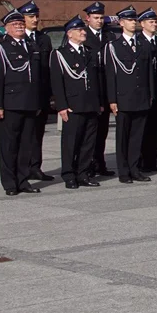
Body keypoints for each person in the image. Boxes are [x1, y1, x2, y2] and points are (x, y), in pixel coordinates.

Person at [0, 10, 43, 196]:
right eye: (15, 25)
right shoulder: (1, 47)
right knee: (9, 145)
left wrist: (38, 102)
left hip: (30, 102)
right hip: (10, 103)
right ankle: (10, 183)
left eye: (21, 24)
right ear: (7, 28)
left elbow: (37, 77)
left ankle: (23, 180)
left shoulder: (31, 45)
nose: (19, 27)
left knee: (26, 145)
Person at [50, 16, 102, 189]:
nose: (83, 32)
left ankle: (83, 173)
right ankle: (69, 174)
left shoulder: (89, 52)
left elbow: (97, 79)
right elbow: (57, 83)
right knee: (71, 142)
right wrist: (62, 106)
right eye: (79, 30)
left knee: (88, 143)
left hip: (91, 104)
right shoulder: (61, 54)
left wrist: (99, 102)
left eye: (83, 29)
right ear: (70, 34)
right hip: (73, 105)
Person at [104, 6, 154, 184]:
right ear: (122, 23)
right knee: (123, 137)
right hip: (123, 98)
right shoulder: (114, 46)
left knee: (137, 137)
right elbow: (111, 75)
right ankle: (124, 171)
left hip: (141, 97)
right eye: (130, 20)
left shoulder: (143, 44)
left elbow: (148, 72)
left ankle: (135, 168)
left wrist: (150, 94)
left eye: (135, 20)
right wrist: (112, 99)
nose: (133, 23)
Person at [16, 1, 55, 182]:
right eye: (31, 16)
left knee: (38, 133)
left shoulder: (43, 39)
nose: (35, 19)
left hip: (41, 94)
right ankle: (22, 169)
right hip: (24, 96)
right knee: (24, 135)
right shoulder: (19, 39)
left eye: (36, 16)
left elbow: (48, 68)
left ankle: (35, 167)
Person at [83, 1, 115, 177]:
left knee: (102, 130)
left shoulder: (109, 36)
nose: (99, 21)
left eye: (101, 17)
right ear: (88, 18)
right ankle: (87, 165)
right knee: (89, 132)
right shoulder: (83, 35)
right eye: (96, 17)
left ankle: (100, 162)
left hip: (105, 89)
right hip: (90, 90)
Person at [137, 8, 157, 172]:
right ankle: (140, 161)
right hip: (143, 92)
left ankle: (151, 161)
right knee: (142, 129)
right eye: (151, 22)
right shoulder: (137, 42)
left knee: (156, 128)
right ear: (142, 24)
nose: (154, 24)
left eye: (155, 22)